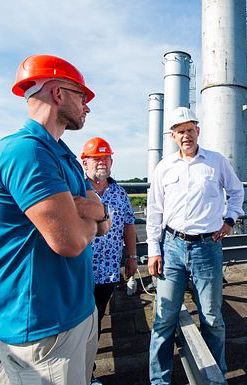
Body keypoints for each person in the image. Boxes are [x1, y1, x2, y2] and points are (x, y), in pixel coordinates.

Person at [0, 54, 112, 385]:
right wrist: (86, 217)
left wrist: (89, 212)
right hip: (42, 324)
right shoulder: (25, 152)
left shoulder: (63, 154)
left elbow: (104, 218)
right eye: (82, 96)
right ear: (58, 94)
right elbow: (69, 242)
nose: (87, 106)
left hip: (78, 309)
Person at [146, 106, 244, 384]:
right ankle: (159, 380)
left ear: (198, 131)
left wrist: (230, 219)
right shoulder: (164, 167)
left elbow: (237, 192)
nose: (186, 135)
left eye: (190, 130)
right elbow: (154, 212)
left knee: (212, 317)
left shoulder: (216, 162)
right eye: (180, 131)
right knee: (164, 318)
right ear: (173, 137)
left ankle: (216, 377)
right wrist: (154, 249)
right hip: (172, 247)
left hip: (206, 248)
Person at [81, 136, 138, 385]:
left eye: (106, 158)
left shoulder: (118, 192)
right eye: (96, 158)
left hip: (106, 272)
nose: (102, 163)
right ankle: (78, 374)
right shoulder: (74, 188)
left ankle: (88, 373)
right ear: (84, 163)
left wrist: (132, 258)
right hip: (77, 271)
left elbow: (129, 225)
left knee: (95, 323)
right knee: (77, 326)